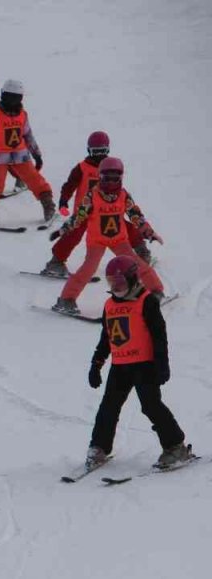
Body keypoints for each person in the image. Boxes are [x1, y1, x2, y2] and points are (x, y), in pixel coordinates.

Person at [82, 257, 192, 470]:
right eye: (111, 282)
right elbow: (107, 338)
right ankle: (99, 447)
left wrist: (162, 364)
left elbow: (159, 336)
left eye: (120, 281)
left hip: (145, 365)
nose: (116, 286)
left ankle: (175, 446)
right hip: (120, 366)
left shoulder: (147, 301)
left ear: (132, 278)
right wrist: (96, 365)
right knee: (108, 407)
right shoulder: (110, 304)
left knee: (150, 406)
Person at [50, 156, 165, 315]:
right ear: (100, 177)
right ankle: (66, 299)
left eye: (115, 178)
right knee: (88, 269)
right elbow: (79, 216)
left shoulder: (124, 195)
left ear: (121, 177)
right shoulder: (92, 196)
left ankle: (156, 291)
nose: (111, 182)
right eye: (107, 178)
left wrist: (149, 233)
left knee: (137, 264)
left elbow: (136, 216)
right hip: (96, 240)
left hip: (119, 240)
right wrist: (63, 230)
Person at [40, 132, 153, 277]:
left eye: (102, 152)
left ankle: (141, 250)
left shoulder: (111, 167)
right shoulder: (81, 168)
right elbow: (69, 185)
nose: (99, 156)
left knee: (124, 228)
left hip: (107, 210)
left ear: (107, 150)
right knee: (72, 235)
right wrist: (64, 201)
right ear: (89, 150)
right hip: (84, 212)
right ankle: (56, 262)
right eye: (95, 152)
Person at [0, 79, 57, 225]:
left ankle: (48, 206)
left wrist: (36, 154)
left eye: (15, 97)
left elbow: (28, 135)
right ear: (3, 96)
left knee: (35, 179)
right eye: (9, 97)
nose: (12, 101)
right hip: (0, 155)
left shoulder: (22, 114)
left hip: (20, 154)